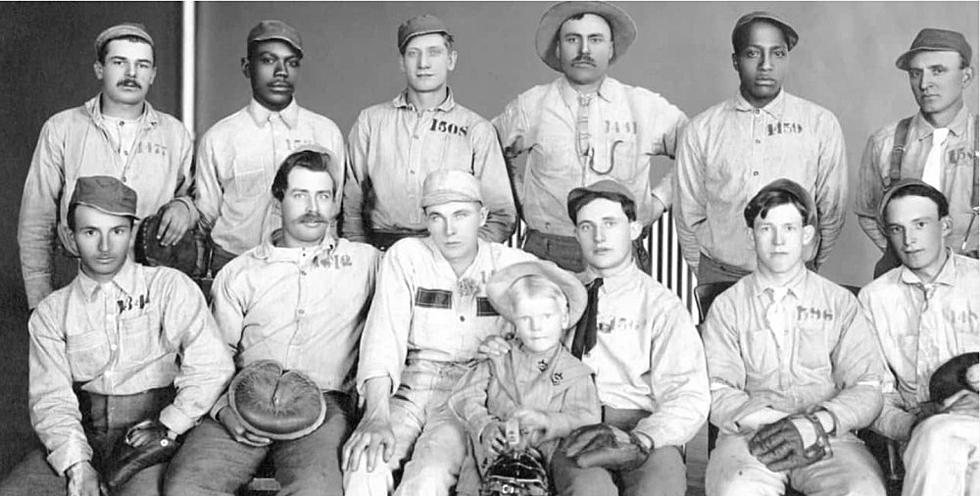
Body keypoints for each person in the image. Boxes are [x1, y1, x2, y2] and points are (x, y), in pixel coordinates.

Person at [164, 146, 380, 495]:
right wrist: (223, 411)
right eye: (300, 195)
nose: (313, 208)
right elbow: (213, 357)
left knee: (317, 491)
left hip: (323, 407)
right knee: (185, 486)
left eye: (323, 196)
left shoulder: (366, 263)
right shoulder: (240, 273)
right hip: (241, 400)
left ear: (335, 203)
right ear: (278, 202)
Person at [0, 176, 232, 496]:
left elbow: (212, 365)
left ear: (132, 232)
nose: (105, 247)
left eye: (117, 231)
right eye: (91, 232)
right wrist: (78, 466)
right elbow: (51, 400)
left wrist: (170, 424)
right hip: (84, 436)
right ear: (70, 236)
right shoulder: (51, 313)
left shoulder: (169, 287)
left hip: (152, 435)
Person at [342, 170, 536, 495]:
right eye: (437, 217)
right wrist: (375, 415)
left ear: (482, 215)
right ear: (426, 220)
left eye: (461, 215)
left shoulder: (513, 265)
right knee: (365, 466)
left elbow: (565, 305)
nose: (450, 230)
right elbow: (382, 339)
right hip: (407, 388)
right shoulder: (407, 256)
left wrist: (514, 347)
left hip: (467, 395)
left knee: (427, 478)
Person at [701, 179, 886, 496]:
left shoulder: (840, 303)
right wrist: (774, 422)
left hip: (829, 435)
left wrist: (819, 423)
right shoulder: (727, 307)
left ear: (807, 235)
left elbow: (868, 386)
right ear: (750, 236)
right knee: (735, 488)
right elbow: (716, 388)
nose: (777, 241)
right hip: (749, 437)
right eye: (766, 229)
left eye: (789, 228)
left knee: (862, 490)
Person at [539, 179, 709, 496]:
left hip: (641, 428)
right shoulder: (555, 298)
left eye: (610, 223)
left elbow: (690, 394)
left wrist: (644, 438)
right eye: (587, 227)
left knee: (660, 489)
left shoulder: (661, 305)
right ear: (576, 234)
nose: (599, 237)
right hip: (575, 427)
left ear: (634, 229)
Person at [493, 1, 687, 272]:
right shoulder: (531, 105)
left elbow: (698, 152)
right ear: (559, 48)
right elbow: (487, 148)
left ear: (611, 49)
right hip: (549, 252)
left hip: (621, 254)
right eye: (573, 39)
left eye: (595, 40)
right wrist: (519, 199)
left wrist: (658, 203)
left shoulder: (644, 107)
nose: (584, 50)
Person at [19, 23, 198, 309]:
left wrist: (185, 208)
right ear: (99, 69)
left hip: (150, 292)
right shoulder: (63, 128)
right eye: (119, 62)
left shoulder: (174, 133)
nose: (131, 74)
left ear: (152, 75)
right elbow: (35, 220)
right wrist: (39, 301)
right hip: (78, 288)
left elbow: (197, 198)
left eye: (142, 65)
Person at [673, 12, 847, 284]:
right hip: (722, 274)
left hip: (795, 274)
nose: (766, 65)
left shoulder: (820, 124)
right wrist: (708, 274)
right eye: (753, 54)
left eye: (777, 54)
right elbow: (687, 214)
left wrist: (807, 262)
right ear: (735, 60)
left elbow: (831, 210)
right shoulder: (702, 129)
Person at [342, 14, 516, 250]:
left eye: (434, 52)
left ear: (451, 60)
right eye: (413, 53)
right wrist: (361, 255)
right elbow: (351, 203)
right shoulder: (370, 121)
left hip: (449, 253)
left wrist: (460, 256)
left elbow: (502, 215)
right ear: (402, 62)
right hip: (381, 249)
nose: (423, 63)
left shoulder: (477, 129)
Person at [195, 20, 346, 274]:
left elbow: (335, 209)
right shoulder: (219, 137)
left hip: (310, 268)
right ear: (246, 67)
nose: (281, 71)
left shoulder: (325, 132)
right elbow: (204, 217)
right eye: (268, 60)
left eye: (291, 62)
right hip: (234, 265)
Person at [858, 179, 979, 496]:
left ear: (945, 225)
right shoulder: (874, 299)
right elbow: (872, 393)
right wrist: (910, 425)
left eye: (920, 224)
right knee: (939, 438)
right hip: (921, 431)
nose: (909, 240)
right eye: (897, 229)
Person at [449, 261, 600, 496]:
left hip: (542, 472)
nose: (536, 327)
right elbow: (464, 396)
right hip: (487, 464)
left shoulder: (573, 372)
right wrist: (484, 425)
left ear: (564, 318)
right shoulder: (499, 356)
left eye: (546, 316)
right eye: (525, 318)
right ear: (513, 321)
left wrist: (547, 420)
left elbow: (586, 418)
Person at [855, 28, 978, 277]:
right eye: (915, 73)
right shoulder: (885, 141)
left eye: (938, 70)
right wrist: (905, 253)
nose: (924, 84)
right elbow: (868, 213)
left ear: (966, 76)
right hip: (901, 280)